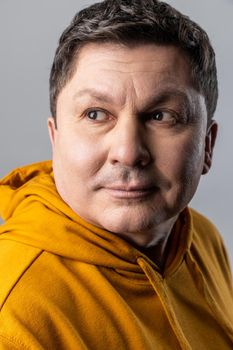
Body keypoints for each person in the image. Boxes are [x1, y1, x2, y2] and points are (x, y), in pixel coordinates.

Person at [0, 0, 232, 348]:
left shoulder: (202, 238)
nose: (128, 152)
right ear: (55, 137)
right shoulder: (13, 314)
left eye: (161, 116)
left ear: (207, 146)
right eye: (95, 114)